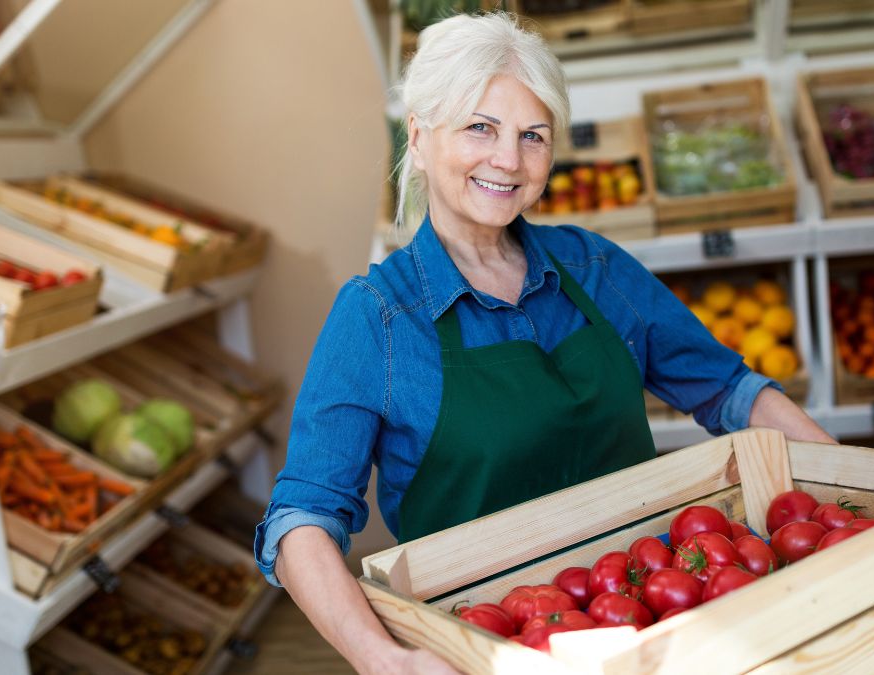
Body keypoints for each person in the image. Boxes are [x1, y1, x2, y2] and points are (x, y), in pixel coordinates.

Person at [254, 12, 835, 673]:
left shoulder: (592, 268)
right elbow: (301, 518)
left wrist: (850, 483)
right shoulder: (378, 319)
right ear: (418, 137)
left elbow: (731, 391)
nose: (508, 159)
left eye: (533, 135)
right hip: (483, 643)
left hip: (648, 614)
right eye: (481, 127)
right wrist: (384, 659)